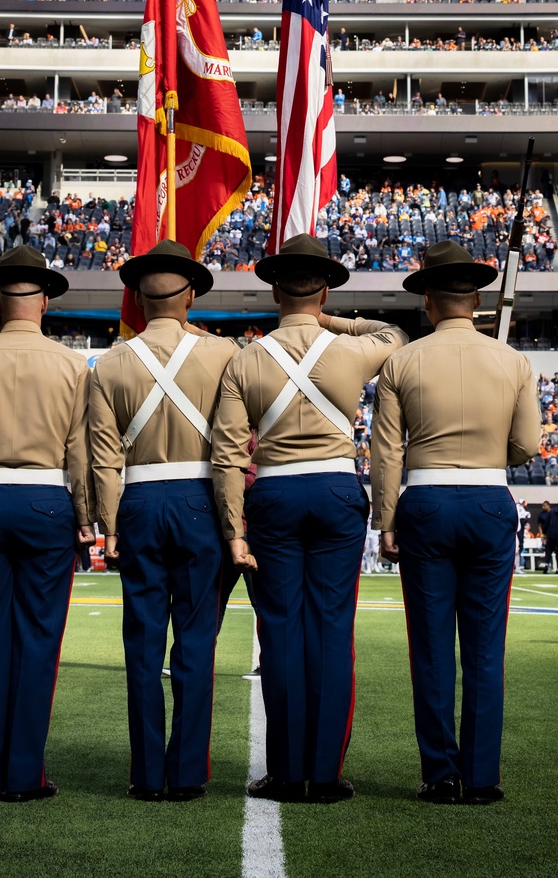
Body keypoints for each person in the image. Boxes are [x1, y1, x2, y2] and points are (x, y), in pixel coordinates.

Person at [212, 233, 407, 805]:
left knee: (280, 635)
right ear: (325, 289)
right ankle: (324, 774)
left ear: (273, 290)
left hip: (271, 495)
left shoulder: (243, 360)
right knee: (330, 632)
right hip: (335, 491)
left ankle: (285, 770)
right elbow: (393, 336)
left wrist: (234, 530)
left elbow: (228, 454)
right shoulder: (350, 349)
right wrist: (333, 322)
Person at [371, 240, 540, 807]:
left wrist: (385, 518)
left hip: (425, 503)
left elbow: (387, 451)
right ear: (477, 301)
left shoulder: (402, 361)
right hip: (491, 500)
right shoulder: (513, 361)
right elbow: (528, 446)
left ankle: (440, 775)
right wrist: (494, 451)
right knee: (486, 650)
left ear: (428, 302)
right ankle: (483, 777)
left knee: (433, 650)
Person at [0, 244, 94, 803]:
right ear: (45, 301)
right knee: (38, 641)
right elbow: (80, 452)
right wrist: (87, 517)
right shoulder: (74, 365)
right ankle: (25, 775)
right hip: (46, 503)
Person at [91, 240, 235, 802]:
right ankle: (188, 774)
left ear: (136, 299)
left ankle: (147, 774)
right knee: (197, 643)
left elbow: (104, 458)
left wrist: (108, 528)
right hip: (202, 500)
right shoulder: (223, 354)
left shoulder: (108, 363)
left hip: (140, 503)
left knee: (142, 648)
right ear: (191, 296)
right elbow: (234, 446)